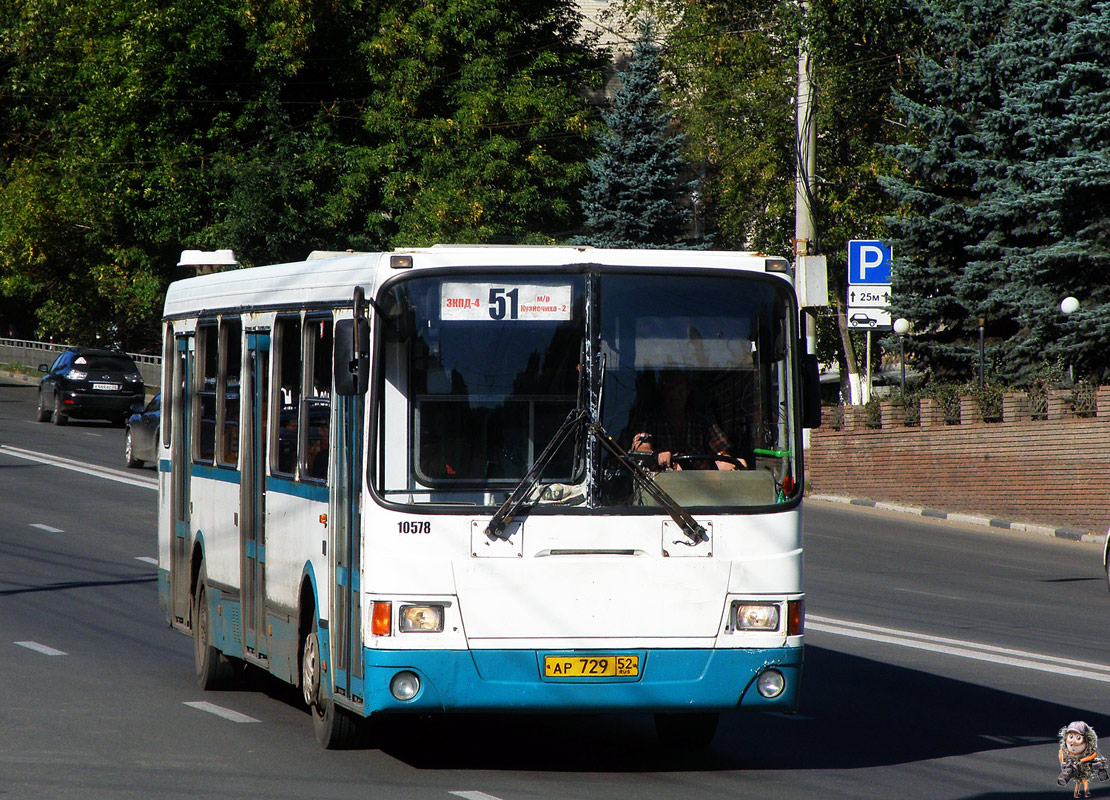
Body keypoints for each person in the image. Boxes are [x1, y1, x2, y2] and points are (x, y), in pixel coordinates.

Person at [630, 370, 746, 471]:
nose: (675, 394)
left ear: (687, 391)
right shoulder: (651, 420)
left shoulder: (703, 421)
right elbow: (641, 449)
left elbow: (721, 451)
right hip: (662, 488)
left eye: (679, 389)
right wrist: (655, 455)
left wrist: (728, 463)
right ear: (663, 391)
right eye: (671, 389)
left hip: (703, 489)